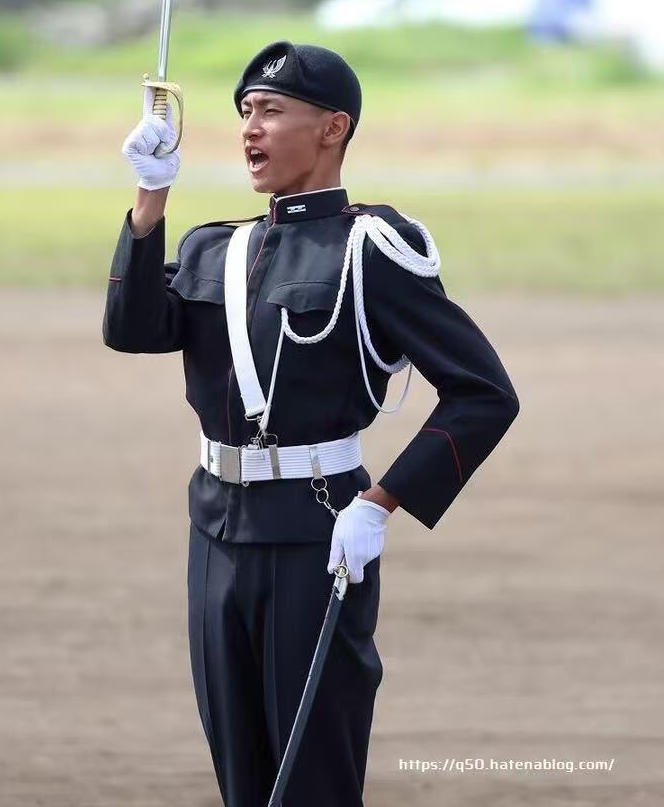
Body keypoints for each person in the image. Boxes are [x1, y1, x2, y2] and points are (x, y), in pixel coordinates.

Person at [103, 40, 519, 807]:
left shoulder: (371, 248)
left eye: (271, 112)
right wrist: (148, 200)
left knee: (312, 780)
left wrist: (382, 503)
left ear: (333, 127)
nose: (249, 130)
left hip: (319, 534)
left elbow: (485, 393)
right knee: (243, 776)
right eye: (244, 114)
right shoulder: (216, 248)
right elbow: (131, 330)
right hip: (216, 533)